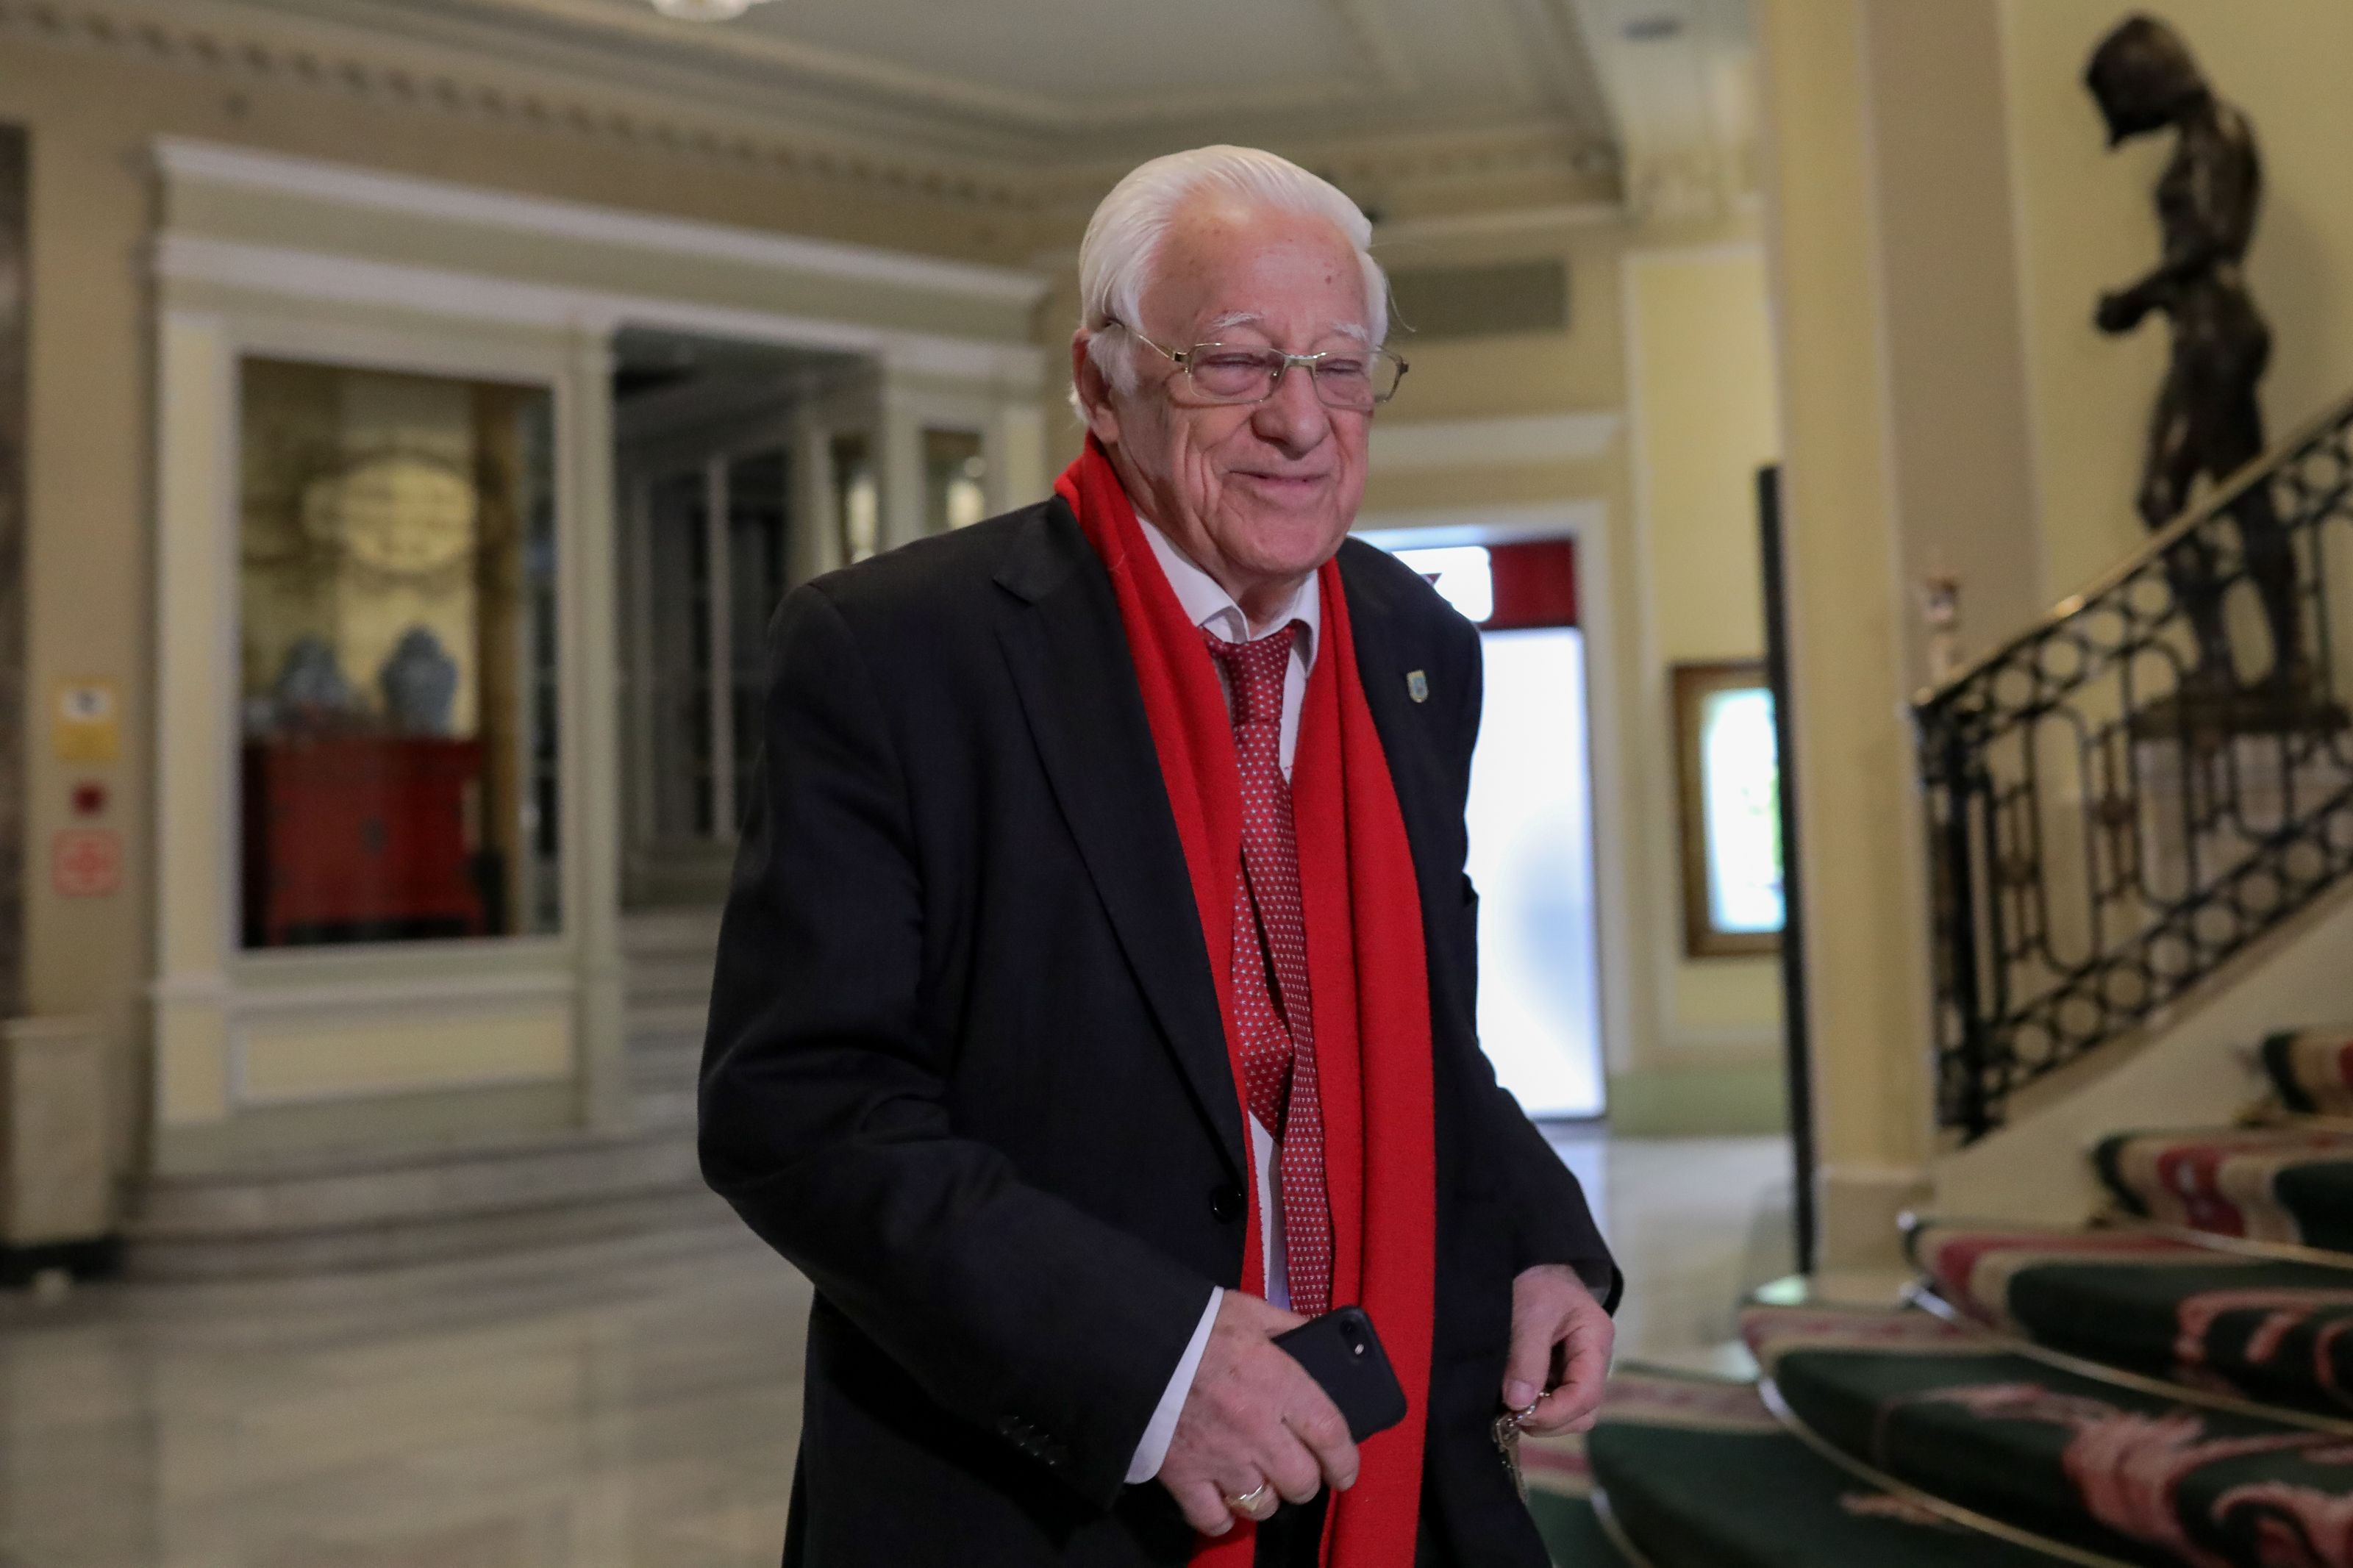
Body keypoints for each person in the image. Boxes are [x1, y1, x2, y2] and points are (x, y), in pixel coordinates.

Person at [699, 144, 1618, 1568]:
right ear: (1100, 379)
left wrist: (1541, 1234)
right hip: (1045, 1491)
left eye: (1340, 365)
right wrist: (1155, 1362)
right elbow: (799, 1108)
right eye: (1235, 362)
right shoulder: (897, 653)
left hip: (1384, 1459)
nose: (1299, 421)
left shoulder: (1418, 645)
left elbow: (1425, 1039)